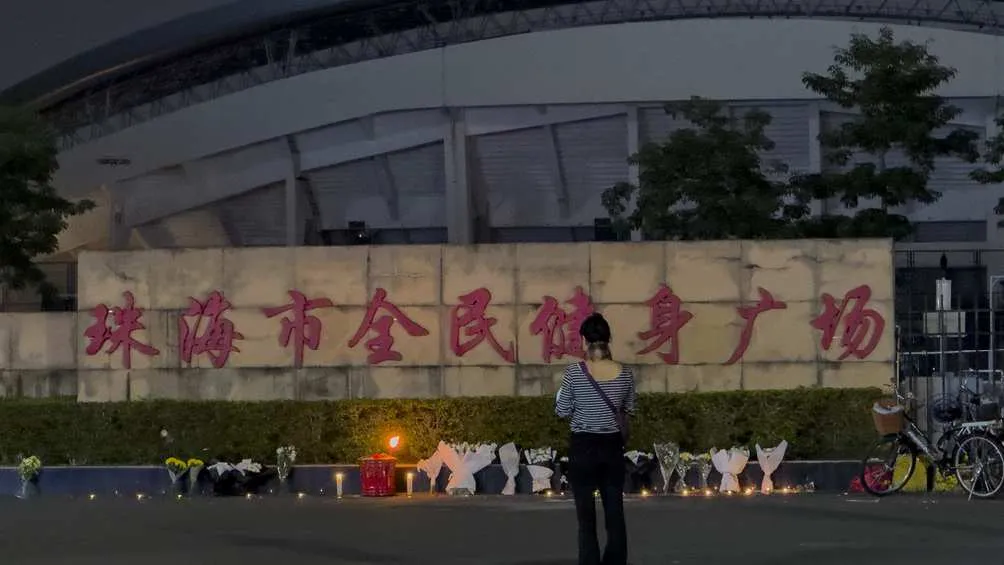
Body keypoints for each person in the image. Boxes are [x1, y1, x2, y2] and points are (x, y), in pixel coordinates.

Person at [555, 312, 636, 565]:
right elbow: (629, 408)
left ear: (583, 340)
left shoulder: (574, 373)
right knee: (615, 512)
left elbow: (562, 411)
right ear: (608, 338)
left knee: (585, 516)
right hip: (611, 446)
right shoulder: (624, 373)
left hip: (583, 447)